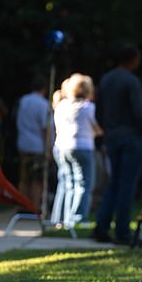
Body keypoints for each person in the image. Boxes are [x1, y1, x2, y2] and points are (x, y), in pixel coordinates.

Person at [93, 45, 142, 244]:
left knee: (114, 183)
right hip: (130, 137)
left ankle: (102, 225)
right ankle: (122, 230)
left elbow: (99, 111)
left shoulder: (106, 79)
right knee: (127, 186)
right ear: (132, 59)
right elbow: (138, 111)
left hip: (112, 137)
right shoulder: (131, 81)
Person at [53, 74, 103, 227]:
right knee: (84, 184)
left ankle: (64, 218)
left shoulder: (61, 105)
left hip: (62, 147)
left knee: (68, 184)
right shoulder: (88, 107)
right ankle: (79, 218)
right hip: (82, 147)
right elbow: (98, 129)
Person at [17, 74, 49, 212]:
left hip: (23, 143)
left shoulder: (23, 100)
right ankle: (34, 208)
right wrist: (48, 147)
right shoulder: (43, 104)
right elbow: (45, 128)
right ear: (44, 89)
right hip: (37, 146)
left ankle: (22, 205)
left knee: (23, 178)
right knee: (37, 179)